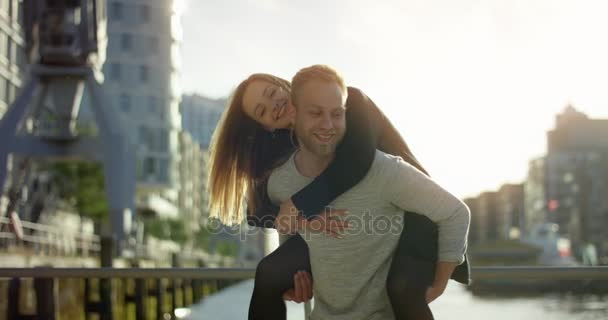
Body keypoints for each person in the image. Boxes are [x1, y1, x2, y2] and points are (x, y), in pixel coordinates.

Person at [207, 66, 470, 320]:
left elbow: (355, 162)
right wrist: (298, 245)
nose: (273, 105)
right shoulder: (287, 155)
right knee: (270, 273)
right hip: (341, 231)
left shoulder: (349, 100)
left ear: (284, 84)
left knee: (402, 290)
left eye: (271, 93)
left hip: (410, 220)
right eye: (261, 111)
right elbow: (255, 211)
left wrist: (300, 206)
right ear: (265, 127)